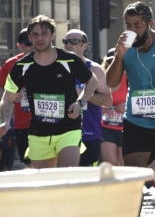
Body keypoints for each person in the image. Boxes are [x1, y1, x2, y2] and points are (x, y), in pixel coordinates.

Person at [106, 2, 155, 214]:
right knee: (134, 179)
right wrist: (119, 55)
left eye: (138, 24)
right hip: (137, 121)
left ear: (150, 23)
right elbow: (111, 83)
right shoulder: (124, 47)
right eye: (128, 24)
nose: (132, 29)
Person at [0, 15, 98, 168]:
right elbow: (7, 99)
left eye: (44, 34)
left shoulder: (70, 60)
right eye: (35, 34)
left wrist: (80, 102)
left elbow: (93, 82)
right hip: (38, 133)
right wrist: (6, 120)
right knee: (46, 183)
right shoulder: (21, 66)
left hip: (68, 129)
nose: (40, 38)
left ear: (53, 35)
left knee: (67, 175)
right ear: (30, 37)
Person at [62, 29, 113, 167]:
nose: (68, 45)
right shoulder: (57, 68)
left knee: (87, 180)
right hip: (61, 134)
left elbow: (108, 101)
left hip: (88, 133)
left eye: (74, 41)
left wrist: (84, 94)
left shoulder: (94, 70)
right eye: (65, 41)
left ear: (85, 46)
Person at [0, 29, 33, 167]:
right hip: (22, 121)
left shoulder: (50, 61)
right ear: (19, 45)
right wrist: (11, 95)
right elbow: (2, 88)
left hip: (48, 121)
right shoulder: (10, 64)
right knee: (28, 163)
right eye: (27, 43)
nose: (32, 46)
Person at [100, 49, 127, 166]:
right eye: (109, 62)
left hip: (125, 128)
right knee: (111, 164)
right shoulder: (101, 78)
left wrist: (127, 105)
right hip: (106, 127)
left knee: (124, 165)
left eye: (115, 62)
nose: (112, 65)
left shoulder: (129, 77)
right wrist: (100, 105)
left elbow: (139, 97)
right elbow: (93, 97)